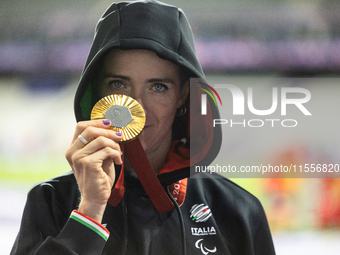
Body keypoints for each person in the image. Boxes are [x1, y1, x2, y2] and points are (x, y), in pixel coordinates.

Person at [11, 1, 276, 254]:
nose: (136, 107)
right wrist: (90, 211)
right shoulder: (50, 203)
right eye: (118, 84)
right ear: (97, 93)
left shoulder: (238, 211)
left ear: (183, 95)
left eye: (158, 87)